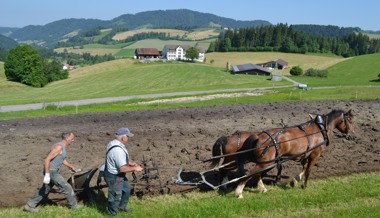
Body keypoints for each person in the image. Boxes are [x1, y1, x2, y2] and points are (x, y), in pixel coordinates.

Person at [23, 132, 81, 212]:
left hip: (52, 171)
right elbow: (47, 159)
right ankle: (74, 206)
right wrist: (47, 174)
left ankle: (29, 206)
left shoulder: (61, 146)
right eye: (72, 138)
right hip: (52, 172)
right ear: (67, 139)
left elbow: (62, 158)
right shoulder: (59, 147)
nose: (73, 140)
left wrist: (70, 166)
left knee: (45, 189)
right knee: (67, 187)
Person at [103, 127, 143, 215]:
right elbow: (122, 168)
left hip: (118, 174)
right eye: (127, 137)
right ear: (123, 138)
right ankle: (111, 214)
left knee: (126, 189)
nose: (128, 139)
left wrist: (129, 163)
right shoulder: (117, 150)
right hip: (114, 176)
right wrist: (135, 168)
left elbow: (116, 159)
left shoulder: (113, 143)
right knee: (115, 195)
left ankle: (122, 207)